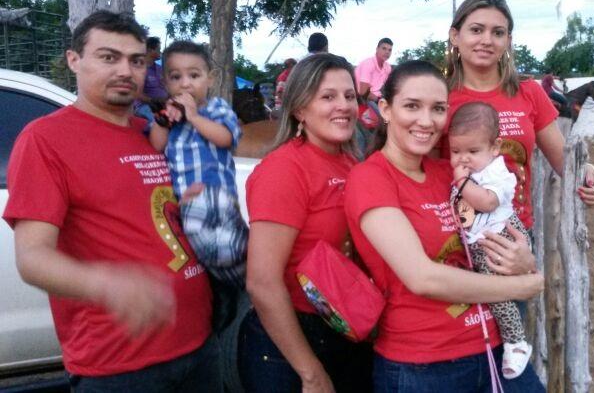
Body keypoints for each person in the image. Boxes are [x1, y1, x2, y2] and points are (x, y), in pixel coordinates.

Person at [3, 10, 218, 391]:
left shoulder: (150, 132)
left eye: (136, 61)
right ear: (74, 60)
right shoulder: (45, 139)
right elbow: (33, 258)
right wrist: (107, 284)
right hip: (118, 364)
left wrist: (194, 206)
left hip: (198, 346)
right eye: (108, 57)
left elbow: (152, 214)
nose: (125, 71)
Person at [345, 60, 546, 392]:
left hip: (494, 347)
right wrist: (522, 286)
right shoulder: (370, 179)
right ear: (386, 109)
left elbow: (499, 225)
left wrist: (524, 261)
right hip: (425, 366)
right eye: (412, 106)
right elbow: (422, 278)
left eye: (438, 108)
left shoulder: (449, 173)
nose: (427, 121)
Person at [239, 53, 372, 392]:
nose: (344, 105)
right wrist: (309, 371)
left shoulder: (351, 163)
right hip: (290, 343)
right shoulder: (285, 170)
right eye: (328, 97)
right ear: (299, 109)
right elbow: (262, 282)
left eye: (349, 96)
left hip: (342, 329)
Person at [442, 0, 594, 237]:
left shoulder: (529, 92)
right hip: (455, 235)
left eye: (498, 33)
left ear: (508, 40)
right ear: (455, 36)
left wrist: (588, 170)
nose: (487, 40)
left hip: (515, 234)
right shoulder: (438, 96)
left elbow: (563, 160)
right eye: (476, 30)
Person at [148, 40, 247, 289]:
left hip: (216, 198)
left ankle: (246, 275)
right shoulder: (169, 115)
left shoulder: (216, 109)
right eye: (175, 77)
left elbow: (225, 138)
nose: (185, 84)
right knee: (210, 259)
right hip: (187, 205)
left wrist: (193, 116)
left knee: (228, 252)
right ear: (165, 83)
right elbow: (156, 145)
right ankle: (232, 288)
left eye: (194, 75)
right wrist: (163, 121)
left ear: (209, 79)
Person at [447, 101, 532, 379]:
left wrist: (461, 182)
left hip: (500, 236)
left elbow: (487, 202)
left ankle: (516, 342)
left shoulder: (496, 172)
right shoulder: (472, 172)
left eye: (473, 151)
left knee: (497, 294)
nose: (463, 159)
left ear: (495, 147)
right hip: (484, 240)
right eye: (456, 151)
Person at [133, 36, 167, 122]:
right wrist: (155, 101)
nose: (160, 52)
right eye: (158, 49)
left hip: (161, 104)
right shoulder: (139, 69)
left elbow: (166, 86)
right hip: (144, 106)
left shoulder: (160, 68)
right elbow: (138, 94)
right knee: (160, 122)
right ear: (150, 50)